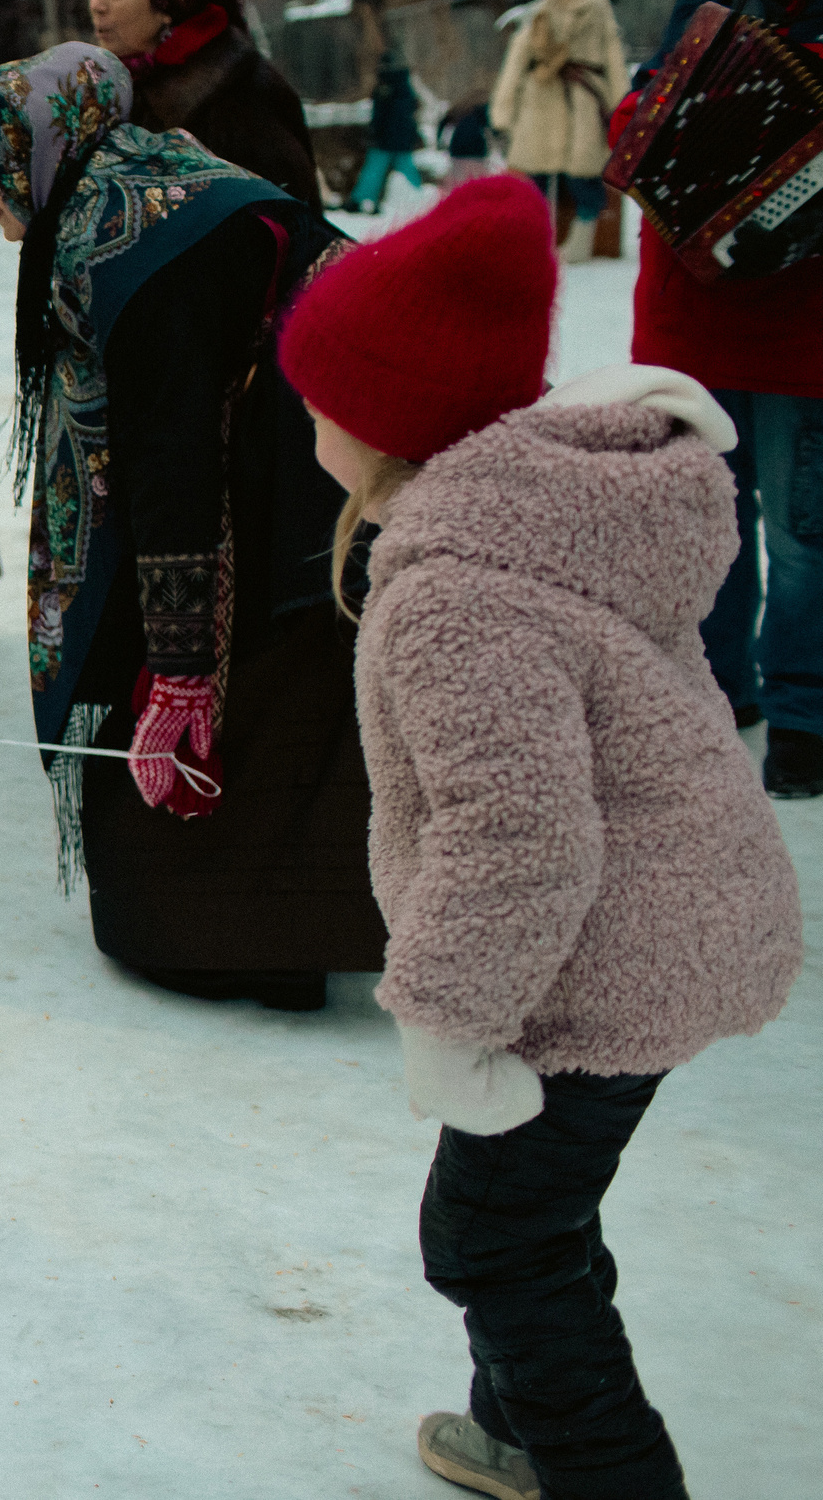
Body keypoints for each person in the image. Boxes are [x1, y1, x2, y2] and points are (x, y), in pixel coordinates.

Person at [278, 175, 801, 1500]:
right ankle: (513, 1430)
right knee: (536, 1213)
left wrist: (448, 1020)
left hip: (603, 959)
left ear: (390, 413)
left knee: (491, 1240)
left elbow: (517, 836)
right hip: (672, 914)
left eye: (320, 393)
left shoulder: (459, 588)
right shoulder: (524, 514)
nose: (305, 416)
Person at [0, 43, 380, 1010]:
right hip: (280, 448)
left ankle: (260, 942)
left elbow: (172, 460)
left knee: (253, 697)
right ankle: (274, 922)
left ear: (30, 154)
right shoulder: (113, 191)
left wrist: (180, 666)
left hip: (299, 470)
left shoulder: (138, 243)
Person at [613, 0, 823, 796]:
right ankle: (711, 695)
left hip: (802, 328)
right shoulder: (715, 1)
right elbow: (642, 104)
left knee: (801, 526)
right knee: (702, 518)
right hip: (696, 317)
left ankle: (802, 720)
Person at [89, 0, 324, 209]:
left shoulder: (238, 97)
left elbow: (282, 224)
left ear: (166, 8)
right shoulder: (110, 90)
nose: (97, 4)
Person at [493, 0, 626, 268]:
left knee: (583, 175)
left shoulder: (598, 7)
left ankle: (581, 241)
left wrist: (623, 105)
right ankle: (536, 244)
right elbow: (518, 57)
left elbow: (613, 54)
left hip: (583, 97)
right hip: (542, 98)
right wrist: (504, 108)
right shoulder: (540, 11)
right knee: (534, 180)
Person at [347, 52, 427, 216]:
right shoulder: (405, 86)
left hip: (385, 139)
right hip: (401, 138)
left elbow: (381, 116)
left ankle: (360, 199)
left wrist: (375, 133)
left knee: (374, 170)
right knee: (405, 169)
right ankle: (421, 198)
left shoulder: (385, 87)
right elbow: (408, 113)